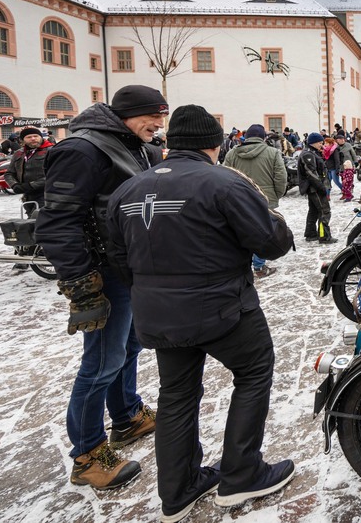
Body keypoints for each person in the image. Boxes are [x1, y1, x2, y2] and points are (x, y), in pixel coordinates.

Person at [107, 105, 295, 521]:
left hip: (158, 312)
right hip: (223, 308)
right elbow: (271, 243)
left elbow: (119, 260)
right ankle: (241, 472)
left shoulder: (128, 190)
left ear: (171, 143)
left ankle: (178, 489)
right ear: (216, 143)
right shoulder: (224, 182)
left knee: (176, 396)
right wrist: (274, 217)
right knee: (253, 372)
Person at [37, 85, 167, 490]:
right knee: (100, 364)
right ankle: (88, 453)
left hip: (128, 268)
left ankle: (126, 416)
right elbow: (57, 223)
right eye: (152, 116)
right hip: (102, 274)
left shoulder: (133, 144)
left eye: (162, 116)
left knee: (129, 348)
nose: (159, 124)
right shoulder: (82, 150)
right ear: (126, 114)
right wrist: (82, 285)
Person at [223, 124, 287, 278]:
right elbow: (280, 177)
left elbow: (224, 177)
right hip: (265, 198)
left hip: (238, 199)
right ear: (263, 137)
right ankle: (259, 266)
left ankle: (243, 264)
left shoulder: (232, 153)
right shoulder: (272, 153)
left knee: (239, 230)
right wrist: (276, 194)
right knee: (263, 231)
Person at [299, 133, 337, 243]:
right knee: (325, 211)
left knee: (314, 211)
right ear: (313, 143)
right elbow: (311, 173)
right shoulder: (308, 154)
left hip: (313, 187)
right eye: (320, 143)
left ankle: (310, 234)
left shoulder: (312, 152)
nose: (322, 145)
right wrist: (321, 187)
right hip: (314, 188)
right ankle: (324, 236)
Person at [5, 126, 50, 215]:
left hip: (47, 195)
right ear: (23, 140)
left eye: (36, 136)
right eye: (29, 137)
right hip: (28, 197)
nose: (33, 139)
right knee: (30, 224)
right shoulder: (18, 153)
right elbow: (9, 173)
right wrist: (14, 185)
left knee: (42, 222)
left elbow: (57, 175)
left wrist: (31, 185)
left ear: (41, 137)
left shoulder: (52, 151)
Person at [334, 133, 358, 202]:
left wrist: (355, 161)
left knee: (348, 179)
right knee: (343, 180)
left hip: (349, 165)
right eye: (339, 139)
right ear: (337, 140)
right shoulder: (336, 147)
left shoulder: (348, 145)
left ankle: (348, 192)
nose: (342, 140)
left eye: (342, 139)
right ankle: (345, 193)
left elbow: (353, 153)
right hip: (341, 166)